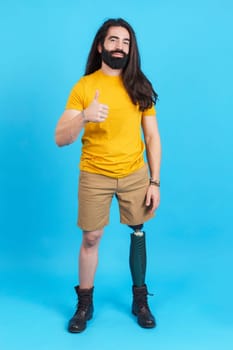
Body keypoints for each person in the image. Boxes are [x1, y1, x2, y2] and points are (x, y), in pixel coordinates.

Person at [55, 18, 161, 333]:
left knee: (138, 231)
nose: (120, 47)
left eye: (126, 42)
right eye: (113, 40)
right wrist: (84, 118)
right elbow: (61, 137)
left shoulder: (139, 84)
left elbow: (153, 137)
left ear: (132, 49)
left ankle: (140, 299)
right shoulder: (85, 86)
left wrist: (154, 181)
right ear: (101, 45)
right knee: (91, 237)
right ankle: (84, 303)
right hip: (94, 173)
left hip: (134, 174)